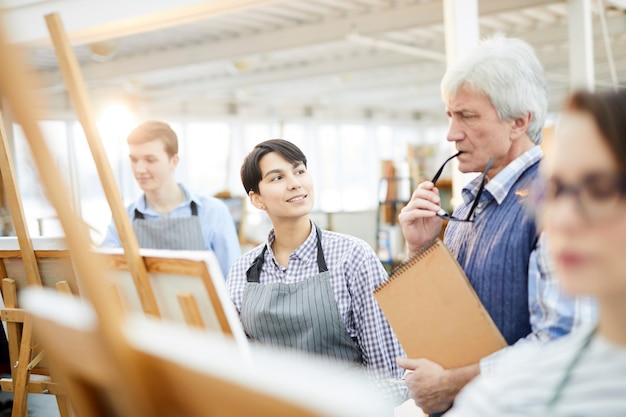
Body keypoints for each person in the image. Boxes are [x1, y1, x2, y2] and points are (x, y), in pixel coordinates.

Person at [395, 35, 597, 415]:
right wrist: (421, 250)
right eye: (450, 115)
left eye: (467, 116)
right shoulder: (469, 204)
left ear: (519, 122)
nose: (451, 134)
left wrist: (450, 383)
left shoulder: (556, 205)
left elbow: (562, 341)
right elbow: (449, 317)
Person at [446, 88, 626, 416]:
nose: (562, 219)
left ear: (519, 123)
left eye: (600, 190)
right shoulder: (509, 397)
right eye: (555, 191)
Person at [226, 139, 406, 402]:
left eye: (299, 171)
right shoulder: (243, 269)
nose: (295, 183)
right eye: (277, 177)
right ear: (256, 199)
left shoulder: (353, 257)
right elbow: (237, 363)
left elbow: (390, 376)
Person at [100, 120, 240, 277]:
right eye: (134, 160)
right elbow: (107, 275)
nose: (139, 169)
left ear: (174, 161)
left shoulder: (213, 212)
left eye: (150, 160)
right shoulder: (124, 218)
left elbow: (233, 282)